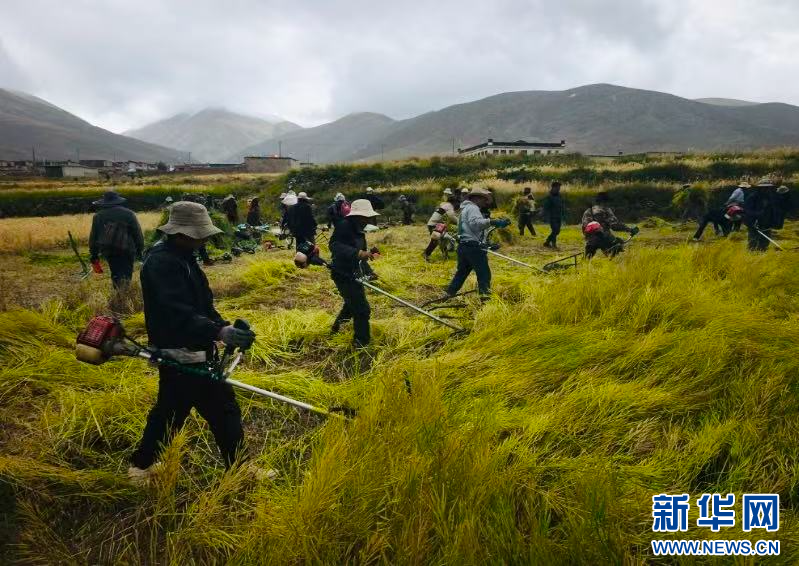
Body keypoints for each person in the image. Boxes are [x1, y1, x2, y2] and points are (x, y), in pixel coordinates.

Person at [129, 202, 257, 483]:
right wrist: (218, 332)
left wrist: (223, 326)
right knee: (211, 409)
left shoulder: (184, 257)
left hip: (194, 348)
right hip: (179, 350)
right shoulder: (162, 263)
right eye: (200, 235)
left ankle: (142, 466)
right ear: (181, 234)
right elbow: (177, 312)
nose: (204, 240)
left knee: (176, 412)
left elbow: (203, 306)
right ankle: (143, 467)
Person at [329, 199, 380, 347]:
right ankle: (361, 341)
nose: (368, 220)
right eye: (365, 217)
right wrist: (358, 253)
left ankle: (337, 327)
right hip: (342, 273)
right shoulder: (344, 226)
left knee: (351, 304)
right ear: (357, 215)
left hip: (354, 273)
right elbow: (334, 246)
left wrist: (369, 270)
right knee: (362, 309)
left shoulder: (359, 229)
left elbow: (361, 255)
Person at [444, 188, 511, 299]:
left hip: (463, 246)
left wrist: (487, 242)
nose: (485, 202)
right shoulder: (473, 208)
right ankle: (485, 297)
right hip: (473, 248)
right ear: (477, 198)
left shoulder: (465, 208)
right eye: (484, 199)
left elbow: (471, 229)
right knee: (484, 273)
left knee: (462, 273)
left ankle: (449, 293)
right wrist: (493, 221)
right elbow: (476, 224)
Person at [88, 190, 144, 289]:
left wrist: (94, 254)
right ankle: (124, 292)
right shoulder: (129, 214)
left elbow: (94, 236)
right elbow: (137, 233)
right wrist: (140, 249)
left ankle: (119, 292)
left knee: (115, 272)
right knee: (126, 272)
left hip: (109, 250)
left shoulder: (98, 216)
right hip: (127, 249)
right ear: (118, 201)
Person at [581, 191, 639, 258]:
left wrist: (590, 237)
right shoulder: (605, 210)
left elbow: (584, 227)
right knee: (615, 251)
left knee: (587, 259)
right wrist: (629, 229)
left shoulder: (588, 211)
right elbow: (615, 226)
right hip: (604, 238)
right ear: (605, 202)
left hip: (590, 240)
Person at [744, 178, 784, 251]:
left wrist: (774, 221)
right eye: (765, 188)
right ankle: (751, 255)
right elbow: (748, 211)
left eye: (768, 188)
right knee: (753, 242)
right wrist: (757, 215)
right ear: (760, 188)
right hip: (754, 223)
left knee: (764, 243)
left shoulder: (769, 197)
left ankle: (762, 253)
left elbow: (772, 210)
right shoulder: (752, 197)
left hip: (766, 223)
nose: (767, 189)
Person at [541, 182, 565, 249]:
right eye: (557, 187)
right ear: (553, 187)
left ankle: (547, 242)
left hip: (559, 216)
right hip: (552, 216)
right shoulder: (549, 197)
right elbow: (546, 207)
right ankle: (553, 244)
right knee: (555, 230)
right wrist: (543, 215)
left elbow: (561, 205)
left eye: (559, 188)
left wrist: (563, 213)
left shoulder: (559, 196)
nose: (558, 189)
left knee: (557, 231)